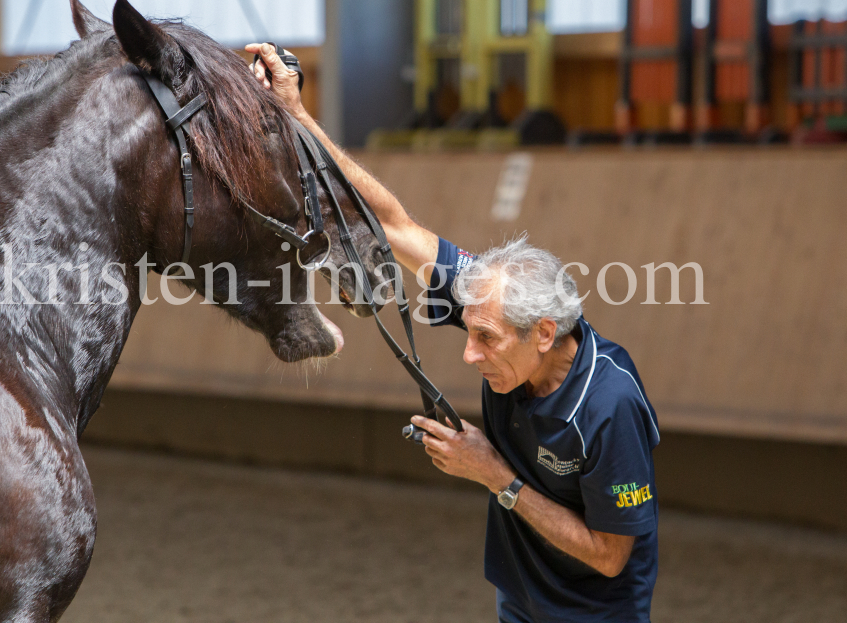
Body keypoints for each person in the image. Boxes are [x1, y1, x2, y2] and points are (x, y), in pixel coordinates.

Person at [248, 43, 661, 623]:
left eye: (487, 339)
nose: (469, 355)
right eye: (469, 333)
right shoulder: (488, 294)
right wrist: (297, 116)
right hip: (518, 601)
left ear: (544, 332)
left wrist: (494, 475)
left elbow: (612, 555)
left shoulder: (608, 406)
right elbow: (393, 224)